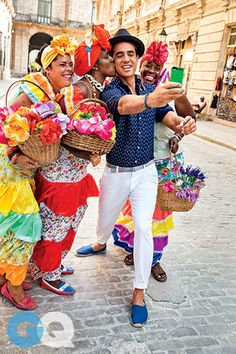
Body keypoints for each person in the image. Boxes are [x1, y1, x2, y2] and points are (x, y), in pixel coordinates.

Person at [75, 29, 197, 327]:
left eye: (131, 53)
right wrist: (150, 99)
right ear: (114, 62)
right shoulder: (111, 90)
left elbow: (167, 115)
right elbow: (123, 106)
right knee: (104, 221)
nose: (126, 59)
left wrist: (182, 122)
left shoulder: (148, 86)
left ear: (137, 57)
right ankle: (101, 242)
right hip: (116, 173)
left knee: (144, 228)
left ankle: (139, 293)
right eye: (119, 55)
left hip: (146, 173)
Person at [112, 41, 196, 282]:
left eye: (156, 66)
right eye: (148, 64)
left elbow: (186, 118)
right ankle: (136, 251)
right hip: (142, 163)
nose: (151, 70)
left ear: (163, 69)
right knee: (138, 213)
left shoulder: (168, 90)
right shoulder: (137, 88)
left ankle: (154, 259)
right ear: (141, 63)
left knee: (158, 214)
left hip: (166, 164)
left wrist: (179, 134)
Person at [0, 144, 41, 310]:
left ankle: (5, 276)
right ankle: (13, 286)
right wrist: (14, 155)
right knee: (23, 233)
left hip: (17, 170)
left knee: (9, 228)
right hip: (8, 169)